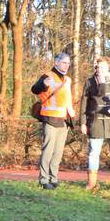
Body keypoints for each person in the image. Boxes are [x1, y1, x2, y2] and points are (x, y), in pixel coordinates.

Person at [79, 56, 110, 190]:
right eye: (97, 66)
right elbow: (84, 104)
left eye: (102, 66)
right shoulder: (90, 82)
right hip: (96, 123)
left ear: (108, 67)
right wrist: (83, 122)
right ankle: (92, 184)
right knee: (93, 153)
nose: (99, 69)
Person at [30, 52, 77, 190]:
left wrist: (71, 115)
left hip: (64, 120)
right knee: (48, 151)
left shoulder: (68, 80)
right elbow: (35, 89)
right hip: (50, 119)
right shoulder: (48, 76)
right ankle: (44, 180)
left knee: (58, 152)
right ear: (56, 63)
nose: (67, 65)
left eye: (68, 63)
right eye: (64, 62)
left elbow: (68, 99)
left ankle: (54, 178)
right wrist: (43, 84)